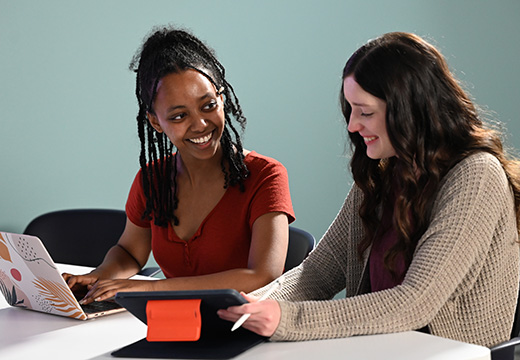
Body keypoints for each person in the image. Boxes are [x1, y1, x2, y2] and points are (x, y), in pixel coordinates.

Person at [218, 32, 520, 348]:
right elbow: (317, 273)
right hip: (379, 347)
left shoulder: (477, 176)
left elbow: (414, 302)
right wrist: (250, 305)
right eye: (350, 110)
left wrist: (287, 319)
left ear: (410, 110)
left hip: (448, 353)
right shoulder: (383, 173)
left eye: (365, 112)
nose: (351, 125)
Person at [64, 26, 295, 304]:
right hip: (174, 326)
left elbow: (262, 275)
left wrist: (150, 289)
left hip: (245, 330)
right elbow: (129, 252)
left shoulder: (265, 175)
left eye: (208, 105)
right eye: (178, 116)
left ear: (222, 99)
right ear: (154, 122)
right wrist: (100, 276)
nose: (200, 124)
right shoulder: (153, 180)